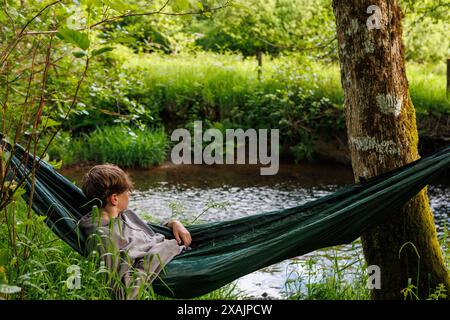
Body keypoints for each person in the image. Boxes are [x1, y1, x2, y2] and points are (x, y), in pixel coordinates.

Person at [78, 163, 191, 300]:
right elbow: (122, 294)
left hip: (179, 250)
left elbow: (147, 228)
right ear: (114, 198)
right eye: (127, 191)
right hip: (170, 260)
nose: (130, 194)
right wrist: (162, 250)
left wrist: (173, 223)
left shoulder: (125, 215)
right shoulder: (102, 237)